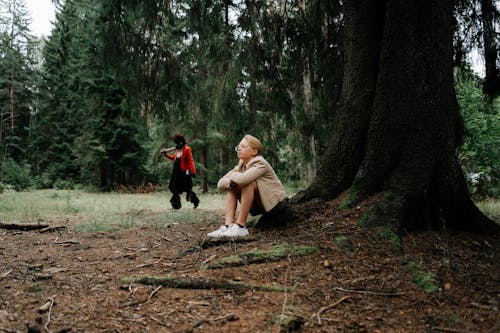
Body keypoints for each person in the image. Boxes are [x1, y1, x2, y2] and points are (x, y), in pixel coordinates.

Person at [207, 134, 287, 238]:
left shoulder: (260, 163)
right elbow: (220, 183)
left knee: (247, 183)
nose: (239, 149)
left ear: (254, 151)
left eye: (243, 147)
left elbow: (243, 180)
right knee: (232, 186)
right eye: (238, 147)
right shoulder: (241, 165)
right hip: (260, 204)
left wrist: (235, 176)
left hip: (276, 204)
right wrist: (233, 180)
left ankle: (240, 226)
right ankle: (228, 226)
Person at [161, 133, 200, 209]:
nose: (177, 144)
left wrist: (193, 171)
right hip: (176, 171)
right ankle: (175, 205)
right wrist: (166, 154)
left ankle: (195, 202)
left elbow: (190, 161)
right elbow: (173, 158)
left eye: (178, 142)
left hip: (184, 172)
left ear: (181, 141)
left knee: (187, 188)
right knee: (173, 187)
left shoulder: (187, 149)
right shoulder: (177, 150)